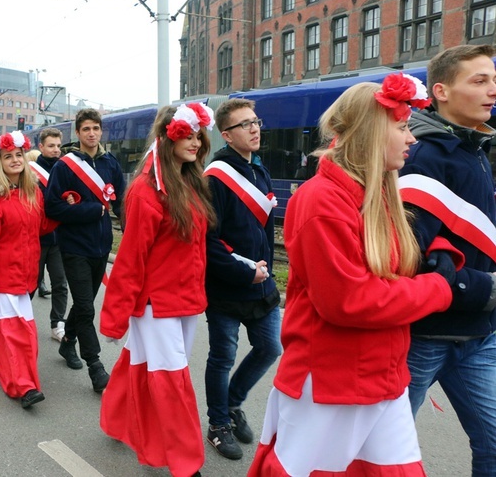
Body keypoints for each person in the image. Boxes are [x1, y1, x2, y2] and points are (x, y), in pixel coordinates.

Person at [248, 74, 468, 475]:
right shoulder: (322, 201)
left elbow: (398, 252)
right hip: (332, 380)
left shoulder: (376, 193)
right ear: (371, 132)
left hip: (380, 374)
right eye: (402, 127)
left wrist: (441, 255)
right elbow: (350, 300)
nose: (411, 138)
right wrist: (439, 287)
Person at [99, 103, 217, 477]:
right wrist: (115, 318)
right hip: (155, 304)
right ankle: (185, 463)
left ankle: (115, 420)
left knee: (140, 362)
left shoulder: (189, 182)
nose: (196, 142)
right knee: (172, 380)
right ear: (168, 137)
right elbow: (130, 260)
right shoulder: (146, 193)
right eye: (189, 134)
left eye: (200, 135)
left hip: (185, 300)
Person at [399, 45, 496, 475]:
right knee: (382, 447)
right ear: (440, 91)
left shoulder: (473, 148)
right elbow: (408, 257)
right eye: (479, 80)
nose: (492, 90)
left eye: (493, 80)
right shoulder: (425, 157)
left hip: (477, 332)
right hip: (424, 337)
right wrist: (485, 288)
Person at [202, 98, 283, 460]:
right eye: (244, 125)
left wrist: (264, 271)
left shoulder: (260, 171)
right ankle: (218, 423)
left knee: (270, 347)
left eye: (256, 122)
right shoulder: (215, 178)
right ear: (226, 135)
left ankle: (232, 404)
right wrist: (243, 271)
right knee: (222, 356)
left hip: (261, 283)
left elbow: (265, 230)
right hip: (226, 285)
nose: (254, 129)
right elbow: (207, 241)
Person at [0, 131, 57, 409]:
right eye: (8, 156)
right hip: (2, 279)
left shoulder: (32, 192)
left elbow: (41, 227)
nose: (15, 160)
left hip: (26, 276)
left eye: (19, 155)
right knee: (20, 334)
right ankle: (24, 386)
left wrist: (65, 210)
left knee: (13, 332)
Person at [44, 108, 126, 392]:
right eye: (86, 129)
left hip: (101, 247)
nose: (91, 133)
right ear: (77, 133)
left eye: (95, 128)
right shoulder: (65, 166)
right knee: (86, 307)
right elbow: (52, 206)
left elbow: (121, 204)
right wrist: (90, 210)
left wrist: (133, 233)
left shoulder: (110, 163)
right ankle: (95, 366)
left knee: (83, 304)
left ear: (101, 131)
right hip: (74, 246)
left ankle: (68, 343)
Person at [30, 128, 69, 342]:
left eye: (58, 146)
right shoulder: (31, 171)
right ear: (41, 147)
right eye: (51, 146)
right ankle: (21, 322)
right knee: (29, 284)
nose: (56, 150)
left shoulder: (65, 169)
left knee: (60, 283)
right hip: (36, 237)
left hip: (59, 237)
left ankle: (57, 324)